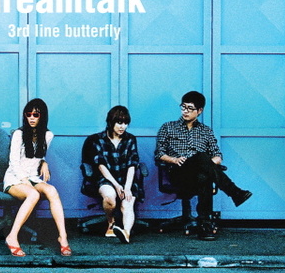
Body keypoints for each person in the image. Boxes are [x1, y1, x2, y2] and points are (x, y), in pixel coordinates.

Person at [154, 91, 252, 240]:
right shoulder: (168, 127)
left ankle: (204, 226)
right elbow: (159, 154)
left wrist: (205, 165)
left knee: (203, 174)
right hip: (179, 172)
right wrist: (174, 160)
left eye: (190, 108)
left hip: (199, 175)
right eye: (183, 107)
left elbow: (217, 156)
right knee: (202, 158)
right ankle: (234, 193)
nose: (185, 111)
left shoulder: (206, 131)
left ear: (199, 111)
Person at [3, 98, 72, 257]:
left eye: (36, 114)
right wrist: (24, 180)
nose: (32, 118)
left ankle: (63, 237)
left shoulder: (48, 135)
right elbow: (13, 162)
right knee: (33, 194)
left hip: (33, 177)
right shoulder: (19, 134)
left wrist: (43, 162)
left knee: (52, 191)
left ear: (42, 116)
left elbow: (38, 155)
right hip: (15, 178)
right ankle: (12, 236)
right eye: (28, 114)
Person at [91, 106, 142, 244]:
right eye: (119, 123)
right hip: (107, 179)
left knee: (127, 204)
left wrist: (127, 187)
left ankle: (126, 233)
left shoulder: (130, 139)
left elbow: (132, 164)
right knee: (109, 197)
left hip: (126, 179)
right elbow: (101, 165)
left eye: (125, 123)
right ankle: (111, 222)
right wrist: (116, 185)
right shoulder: (99, 139)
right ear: (111, 122)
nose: (122, 126)